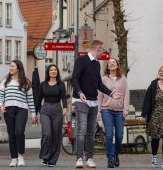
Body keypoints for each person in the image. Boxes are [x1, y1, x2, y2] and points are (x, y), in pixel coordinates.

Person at [71, 40, 121, 168]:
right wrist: (79, 92)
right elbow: (74, 78)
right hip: (81, 100)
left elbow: (99, 84)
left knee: (91, 131)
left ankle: (89, 158)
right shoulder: (81, 61)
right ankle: (79, 158)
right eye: (102, 49)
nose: (103, 52)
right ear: (97, 49)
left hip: (93, 102)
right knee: (82, 129)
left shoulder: (97, 64)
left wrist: (111, 94)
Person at [0, 60, 36, 167]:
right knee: (11, 134)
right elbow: (0, 95)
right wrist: (1, 105)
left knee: (19, 132)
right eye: (10, 66)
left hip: (22, 109)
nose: (10, 68)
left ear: (18, 68)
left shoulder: (26, 82)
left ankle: (21, 156)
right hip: (8, 110)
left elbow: (30, 99)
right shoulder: (5, 81)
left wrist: (33, 114)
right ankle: (14, 158)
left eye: (12, 66)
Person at [97, 58, 129, 168]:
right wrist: (98, 112)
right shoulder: (103, 79)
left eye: (113, 63)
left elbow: (126, 95)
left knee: (119, 135)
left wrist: (125, 109)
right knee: (109, 135)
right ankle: (110, 158)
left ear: (117, 65)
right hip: (107, 110)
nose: (111, 64)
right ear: (107, 66)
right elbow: (99, 97)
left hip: (120, 111)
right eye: (109, 63)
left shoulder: (123, 79)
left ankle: (115, 154)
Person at [35, 64, 67, 167]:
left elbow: (63, 98)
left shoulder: (61, 84)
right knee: (47, 133)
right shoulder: (43, 84)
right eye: (51, 70)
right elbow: (39, 99)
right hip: (45, 110)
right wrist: (35, 113)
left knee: (56, 136)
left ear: (57, 72)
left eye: (55, 70)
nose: (53, 71)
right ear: (48, 72)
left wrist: (65, 107)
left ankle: (52, 160)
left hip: (57, 110)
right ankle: (45, 157)